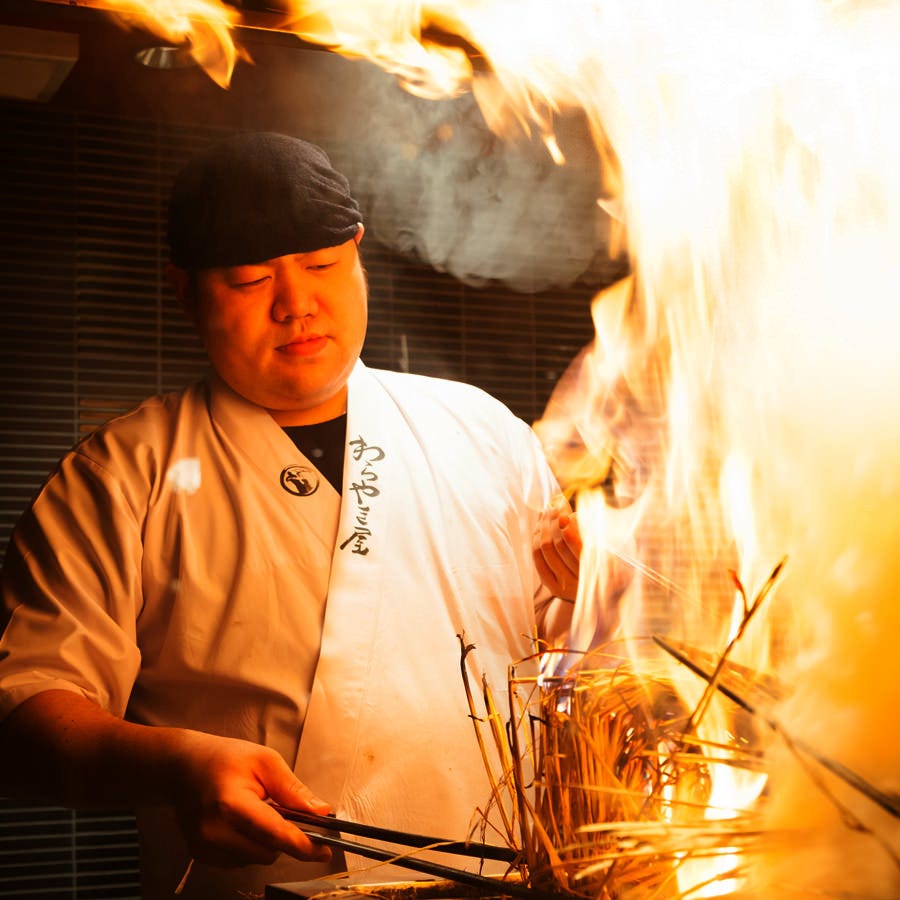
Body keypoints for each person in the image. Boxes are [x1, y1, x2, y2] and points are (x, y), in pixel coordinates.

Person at [0, 132, 582, 899]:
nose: (296, 305)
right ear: (185, 291)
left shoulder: (484, 433)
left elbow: (580, 659)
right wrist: (175, 765)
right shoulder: (120, 475)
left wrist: (599, 584)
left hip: (508, 880)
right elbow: (28, 708)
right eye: (250, 280)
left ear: (358, 254)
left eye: (321, 266)